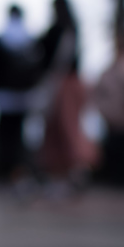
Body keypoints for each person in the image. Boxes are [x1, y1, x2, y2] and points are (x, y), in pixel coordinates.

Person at [0, 4, 42, 184]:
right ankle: (21, 169)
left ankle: (3, 170)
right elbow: (38, 69)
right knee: (20, 135)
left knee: (3, 134)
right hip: (25, 96)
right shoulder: (30, 41)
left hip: (3, 96)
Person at [92, 33, 124, 187]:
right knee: (116, 152)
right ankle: (117, 180)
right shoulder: (110, 71)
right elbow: (98, 93)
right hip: (114, 118)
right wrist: (105, 111)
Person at [39, 60, 98, 197]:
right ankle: (74, 174)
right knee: (70, 135)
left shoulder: (65, 84)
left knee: (67, 136)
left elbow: (67, 118)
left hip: (68, 124)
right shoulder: (77, 83)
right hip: (75, 126)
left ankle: (71, 174)